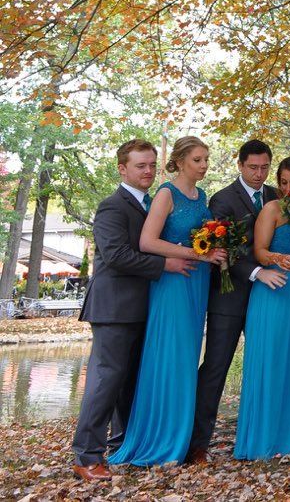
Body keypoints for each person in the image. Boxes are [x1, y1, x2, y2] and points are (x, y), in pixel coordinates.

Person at [72, 140, 188, 481]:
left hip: (145, 307)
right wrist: (164, 263)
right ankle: (87, 455)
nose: (148, 171)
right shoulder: (112, 206)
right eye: (141, 166)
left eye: (152, 165)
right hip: (114, 307)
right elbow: (116, 255)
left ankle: (121, 446)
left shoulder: (153, 203)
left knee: (130, 384)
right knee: (104, 383)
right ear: (123, 168)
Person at [109, 137, 226, 466]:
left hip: (197, 283)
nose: (204, 165)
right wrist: (198, 253)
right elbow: (147, 242)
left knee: (187, 358)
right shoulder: (165, 193)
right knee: (170, 358)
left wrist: (212, 254)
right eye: (198, 160)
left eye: (206, 159)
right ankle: (160, 440)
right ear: (180, 161)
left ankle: (183, 439)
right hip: (173, 282)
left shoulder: (200, 195)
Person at [189, 139, 278, 463]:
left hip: (268, 301)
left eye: (264, 167)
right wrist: (256, 272)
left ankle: (261, 436)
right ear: (240, 165)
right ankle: (197, 443)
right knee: (215, 368)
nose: (259, 173)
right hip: (229, 299)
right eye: (253, 167)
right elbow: (225, 252)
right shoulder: (223, 199)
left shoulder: (274, 196)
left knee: (265, 366)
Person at [234, 156, 290, 460]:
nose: (287, 188)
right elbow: (259, 250)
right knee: (269, 358)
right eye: (283, 182)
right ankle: (262, 438)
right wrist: (276, 259)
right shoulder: (271, 209)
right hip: (273, 287)